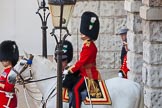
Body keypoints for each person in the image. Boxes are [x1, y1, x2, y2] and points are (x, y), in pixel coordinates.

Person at [63, 11, 101, 108]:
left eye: (83, 32)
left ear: (87, 34)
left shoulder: (89, 46)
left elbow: (81, 62)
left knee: (76, 89)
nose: (81, 33)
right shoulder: (87, 44)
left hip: (89, 74)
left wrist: (70, 70)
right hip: (84, 72)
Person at [0, 40, 19, 108]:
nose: (2, 61)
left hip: (7, 101)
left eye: (3, 60)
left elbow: (8, 88)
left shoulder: (12, 72)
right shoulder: (5, 71)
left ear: (9, 59)